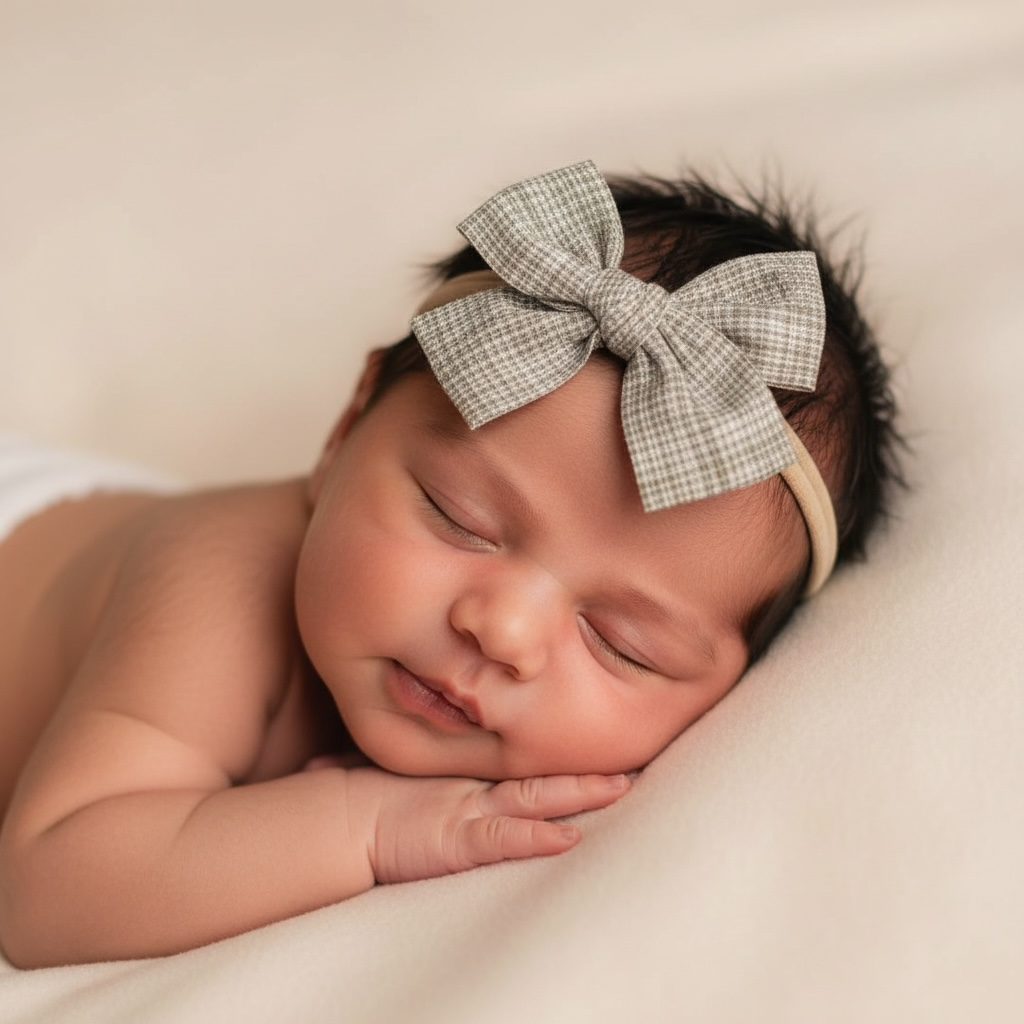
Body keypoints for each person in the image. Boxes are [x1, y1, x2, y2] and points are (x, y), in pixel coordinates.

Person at [0, 161, 901, 967]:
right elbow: (50, 889)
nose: (502, 630)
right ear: (345, 428)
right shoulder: (220, 581)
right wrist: (368, 824)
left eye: (621, 643)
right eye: (457, 518)